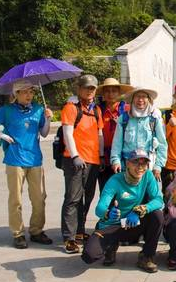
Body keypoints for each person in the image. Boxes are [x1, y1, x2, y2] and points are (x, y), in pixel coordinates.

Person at [0, 80, 53, 249]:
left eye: (31, 91)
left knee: (39, 199)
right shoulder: (7, 111)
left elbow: (44, 133)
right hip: (14, 160)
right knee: (16, 199)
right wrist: (2, 136)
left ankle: (36, 231)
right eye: (24, 92)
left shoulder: (39, 109)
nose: (29, 95)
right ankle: (18, 234)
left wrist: (48, 120)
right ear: (16, 94)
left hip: (35, 160)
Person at [81, 149, 164, 272]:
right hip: (112, 225)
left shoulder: (148, 176)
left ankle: (146, 256)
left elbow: (158, 200)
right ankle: (111, 246)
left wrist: (141, 209)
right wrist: (108, 213)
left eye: (144, 163)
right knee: (89, 256)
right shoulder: (115, 180)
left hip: (132, 223)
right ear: (127, 163)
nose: (140, 167)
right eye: (136, 162)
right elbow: (99, 208)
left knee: (157, 215)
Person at [60, 74, 104, 254]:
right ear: (79, 89)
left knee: (87, 198)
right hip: (75, 161)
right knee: (72, 198)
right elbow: (67, 133)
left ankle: (79, 231)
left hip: (93, 161)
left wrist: (101, 156)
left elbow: (99, 134)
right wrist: (75, 155)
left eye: (92, 88)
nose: (90, 91)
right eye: (86, 87)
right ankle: (68, 238)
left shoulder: (96, 110)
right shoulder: (71, 108)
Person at [110, 87, 167, 183]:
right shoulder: (123, 119)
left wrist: (158, 166)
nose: (140, 100)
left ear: (148, 100)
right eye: (137, 97)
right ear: (133, 99)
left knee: (150, 197)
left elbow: (162, 144)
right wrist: (115, 161)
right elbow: (117, 144)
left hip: (148, 169)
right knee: (127, 197)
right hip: (127, 169)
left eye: (144, 97)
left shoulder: (154, 119)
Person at [96, 78, 133, 193]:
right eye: (107, 91)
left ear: (119, 93)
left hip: (123, 159)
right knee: (106, 192)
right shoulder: (97, 110)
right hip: (103, 159)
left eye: (114, 91)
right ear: (103, 94)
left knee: (124, 194)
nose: (110, 94)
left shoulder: (127, 110)